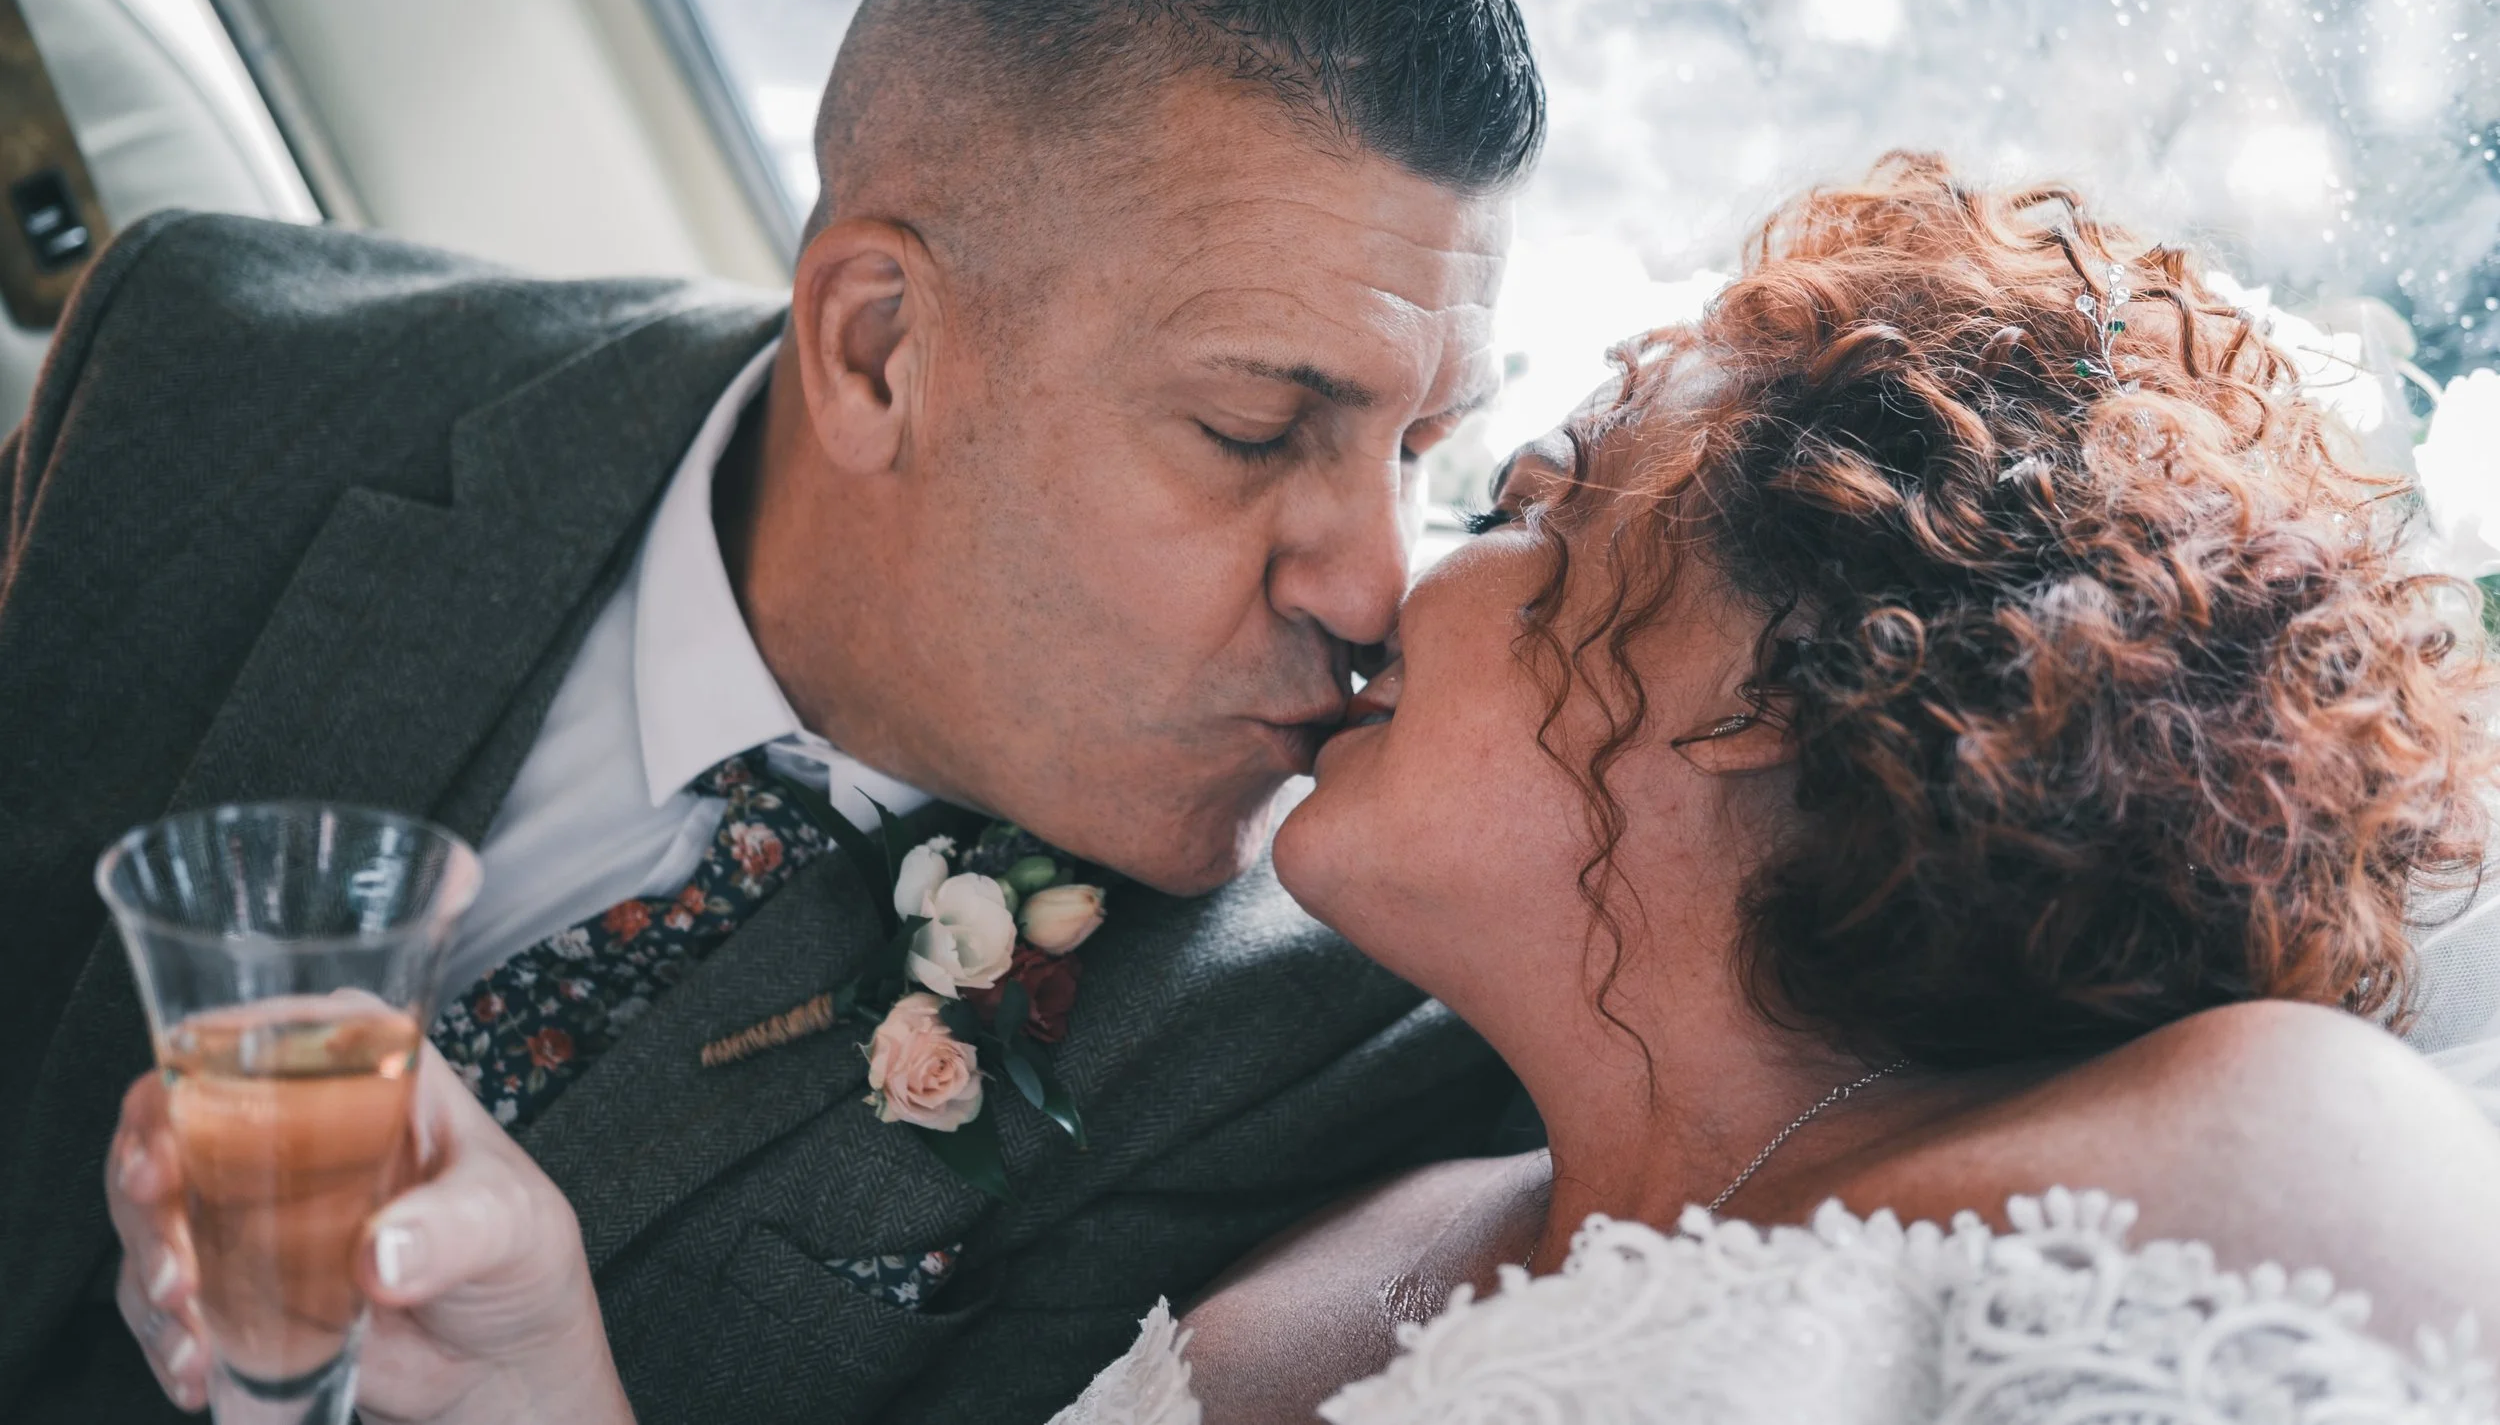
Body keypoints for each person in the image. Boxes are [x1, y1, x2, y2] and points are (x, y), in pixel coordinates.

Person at [132, 156, 2500, 1424]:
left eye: (1528, 505)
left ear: (1783, 678)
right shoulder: (1320, 1260)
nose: (1382, 577)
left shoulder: (2253, 1141)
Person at [0, 0, 1544, 1425]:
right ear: (879, 347)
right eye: (1251, 426)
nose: (1378, 584)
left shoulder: (1319, 1042)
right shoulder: (207, 376)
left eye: (1429, 450)